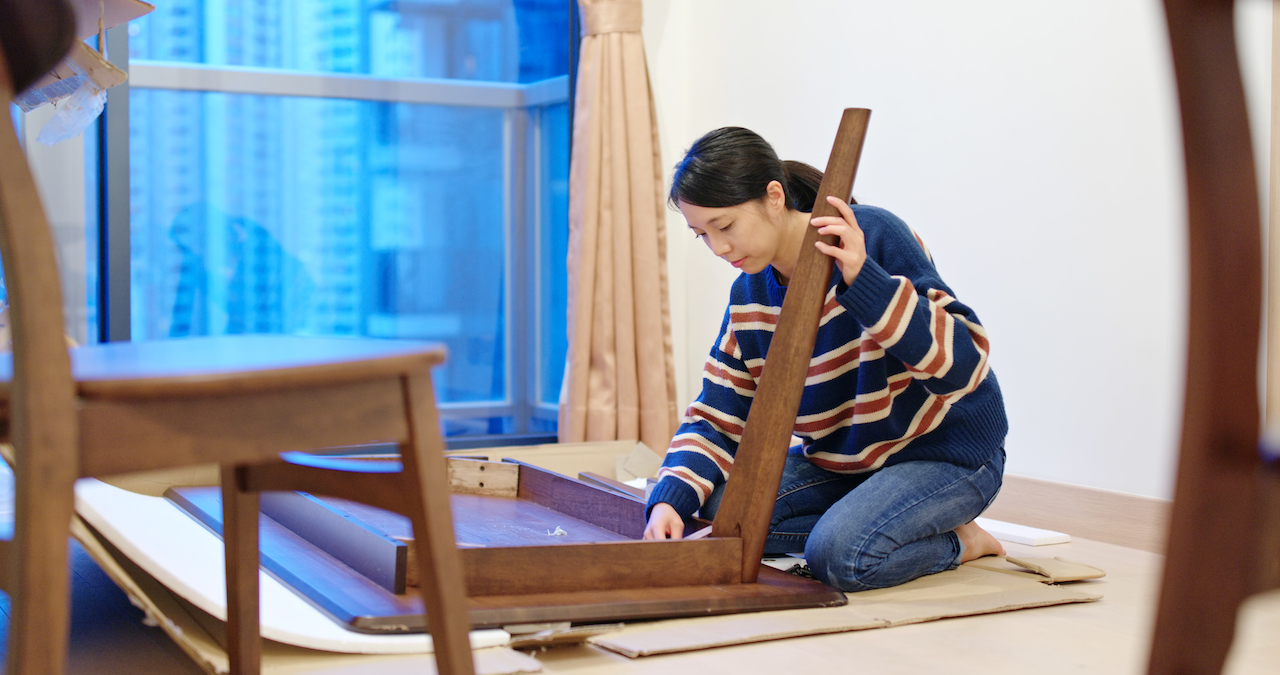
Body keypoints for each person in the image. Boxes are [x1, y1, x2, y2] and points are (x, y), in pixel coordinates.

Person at [642, 127, 1008, 592]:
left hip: (947, 454)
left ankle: (962, 541)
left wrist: (865, 283)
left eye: (726, 226)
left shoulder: (870, 235)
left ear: (774, 196)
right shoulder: (750, 294)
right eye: (702, 235)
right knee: (716, 511)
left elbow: (966, 365)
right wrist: (668, 501)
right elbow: (718, 415)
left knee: (838, 556)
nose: (720, 249)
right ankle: (875, 515)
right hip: (847, 465)